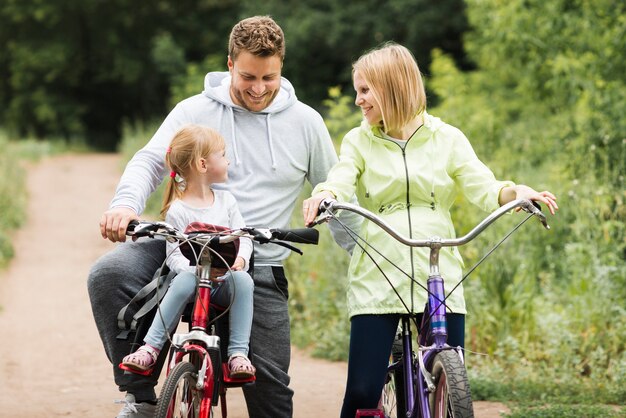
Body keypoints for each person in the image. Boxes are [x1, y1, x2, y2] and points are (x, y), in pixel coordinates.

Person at [88, 15, 357, 418]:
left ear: (281, 67)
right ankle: (142, 397)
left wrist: (366, 259)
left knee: (270, 390)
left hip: (256, 263)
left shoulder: (306, 123)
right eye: (249, 76)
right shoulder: (194, 111)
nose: (259, 89)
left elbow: (332, 195)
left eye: (269, 78)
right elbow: (150, 161)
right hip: (180, 247)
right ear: (230, 64)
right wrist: (125, 204)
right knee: (108, 276)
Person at [302, 42, 558, 418]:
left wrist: (516, 192)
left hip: (439, 272)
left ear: (392, 87)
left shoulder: (447, 138)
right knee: (362, 390)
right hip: (379, 273)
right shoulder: (358, 140)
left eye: (365, 90)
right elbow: (341, 177)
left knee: (451, 381)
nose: (358, 100)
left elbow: (483, 186)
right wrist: (324, 195)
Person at [120, 124, 256, 379]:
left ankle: (238, 354)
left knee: (244, 282)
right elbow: (174, 255)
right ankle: (150, 348)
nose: (228, 161)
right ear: (203, 165)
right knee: (183, 278)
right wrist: (195, 271)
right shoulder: (179, 209)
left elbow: (243, 236)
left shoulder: (227, 202)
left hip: (225, 280)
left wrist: (240, 260)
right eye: (223, 155)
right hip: (193, 281)